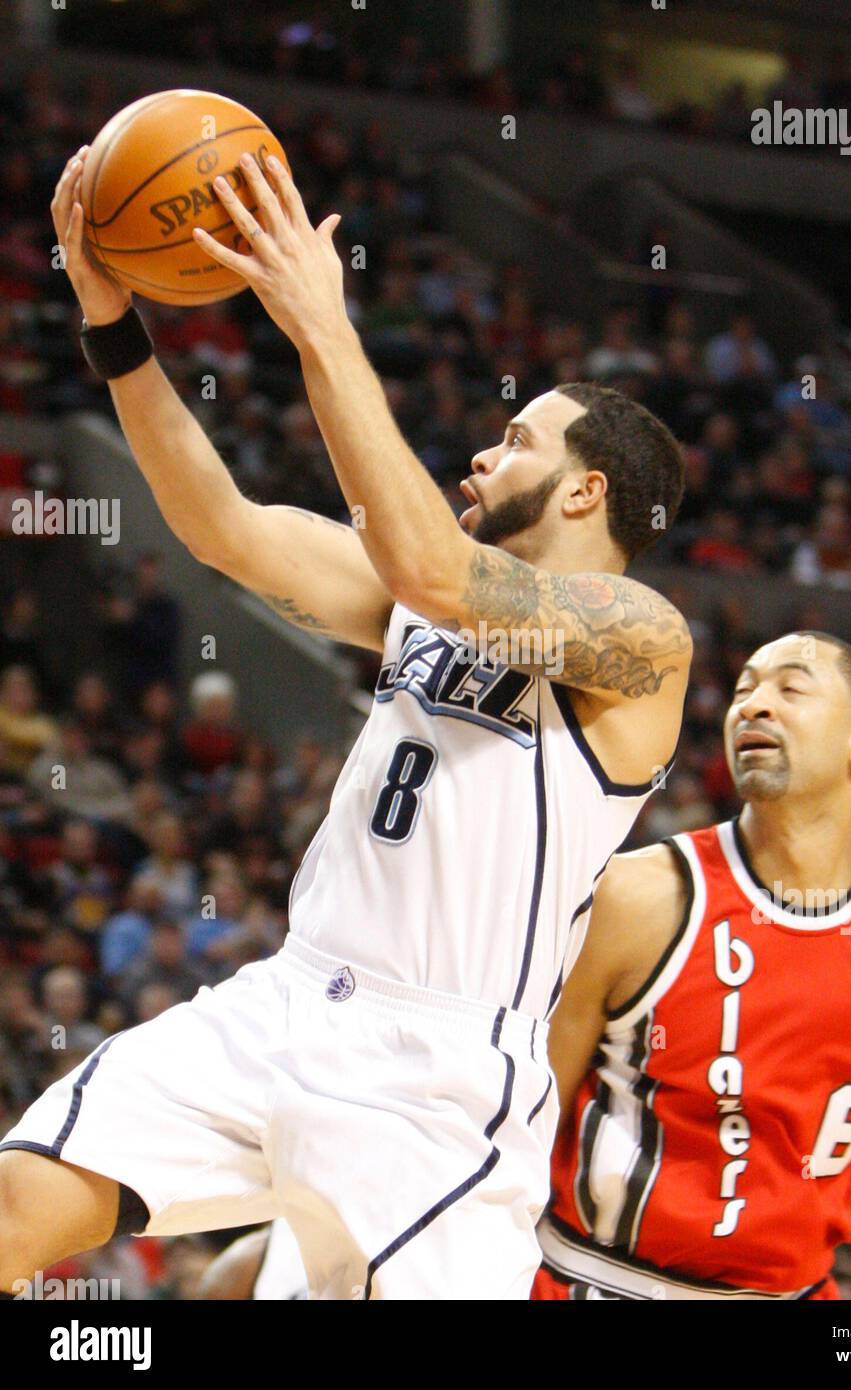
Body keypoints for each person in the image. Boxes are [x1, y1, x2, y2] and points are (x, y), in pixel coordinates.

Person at [0, 149, 690, 1301]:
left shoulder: (641, 640)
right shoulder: (414, 609)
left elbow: (428, 561)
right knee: (21, 1201)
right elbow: (221, 527)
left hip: (435, 1075)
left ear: (587, 491)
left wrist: (320, 321)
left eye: (519, 439)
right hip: (286, 997)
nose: (485, 449)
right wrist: (111, 323)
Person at [532, 632, 851, 1299]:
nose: (754, 705)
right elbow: (526, 1112)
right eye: (743, 689)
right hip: (593, 1278)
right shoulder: (639, 895)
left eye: (790, 688)